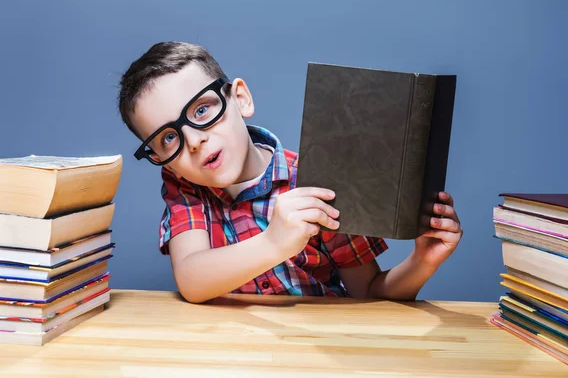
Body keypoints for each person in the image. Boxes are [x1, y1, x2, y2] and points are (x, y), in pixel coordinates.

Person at [117, 41, 463, 303]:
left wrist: (422, 261)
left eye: (202, 109)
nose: (193, 141)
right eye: (167, 138)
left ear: (240, 99)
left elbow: (369, 293)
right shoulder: (184, 184)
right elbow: (192, 279)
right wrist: (274, 241)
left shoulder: (319, 181)